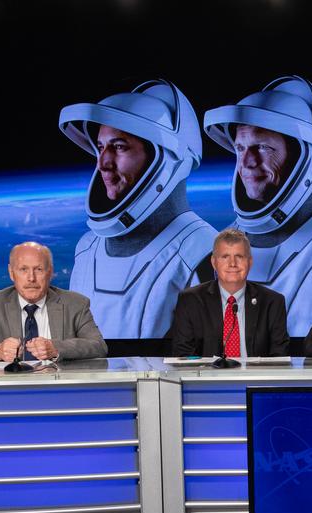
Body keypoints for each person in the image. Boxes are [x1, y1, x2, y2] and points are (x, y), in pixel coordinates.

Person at [203, 76, 312, 336]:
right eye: (241, 148)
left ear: (305, 156)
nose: (247, 162)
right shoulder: (224, 243)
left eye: (262, 147)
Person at [58, 79, 216, 339]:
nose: (103, 163)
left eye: (119, 147)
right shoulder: (87, 250)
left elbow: (219, 367)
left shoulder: (203, 252)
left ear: (165, 160)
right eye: (100, 147)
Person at [0, 242, 107, 363]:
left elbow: (99, 346)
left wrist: (55, 348)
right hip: (9, 391)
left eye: (39, 269)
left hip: (59, 389)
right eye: (23, 269)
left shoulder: (75, 304)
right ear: (11, 273)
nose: (31, 278)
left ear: (50, 272)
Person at [169, 229, 289, 357]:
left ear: (250, 262)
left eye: (239, 256)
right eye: (225, 257)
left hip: (255, 376)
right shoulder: (190, 300)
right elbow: (183, 354)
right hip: (207, 376)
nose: (232, 264)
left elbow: (279, 356)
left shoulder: (273, 302)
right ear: (214, 262)